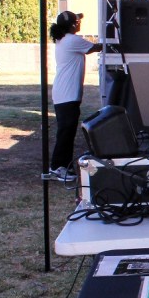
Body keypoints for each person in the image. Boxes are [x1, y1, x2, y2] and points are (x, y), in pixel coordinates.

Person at [48, 11, 103, 179]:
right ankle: (58, 166)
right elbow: (96, 47)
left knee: (67, 131)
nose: (79, 23)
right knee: (66, 132)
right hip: (67, 94)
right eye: (77, 21)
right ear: (72, 25)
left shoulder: (64, 39)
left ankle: (63, 165)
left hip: (65, 93)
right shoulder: (72, 40)